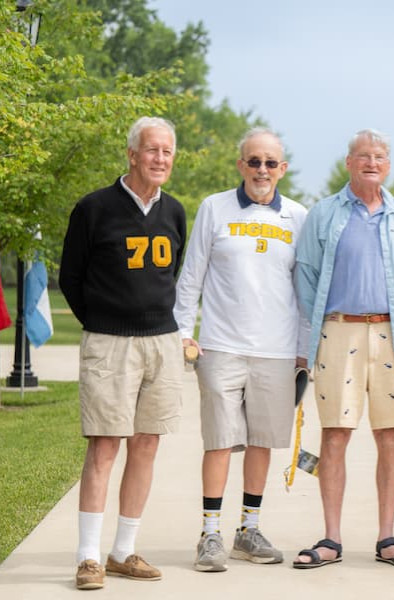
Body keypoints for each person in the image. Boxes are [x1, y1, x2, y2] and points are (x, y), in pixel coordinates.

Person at [173, 128, 308, 572]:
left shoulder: (298, 217)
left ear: (282, 169)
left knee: (261, 441)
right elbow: (191, 276)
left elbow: (303, 290)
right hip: (219, 347)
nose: (262, 170)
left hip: (277, 350)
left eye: (271, 163)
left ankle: (248, 531)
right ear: (241, 165)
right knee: (219, 441)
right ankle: (210, 534)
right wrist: (183, 332)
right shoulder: (214, 207)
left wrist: (304, 350)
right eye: (254, 161)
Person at [59, 117, 186, 590]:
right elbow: (71, 278)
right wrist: (102, 321)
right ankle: (88, 557)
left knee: (147, 444)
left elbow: (172, 273)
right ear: (131, 154)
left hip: (162, 342)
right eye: (152, 150)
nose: (160, 159)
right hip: (110, 343)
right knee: (104, 445)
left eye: (167, 152)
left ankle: (123, 551)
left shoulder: (174, 211)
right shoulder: (94, 208)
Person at [292, 129, 394, 569]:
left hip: (389, 335)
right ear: (349, 162)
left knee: (390, 435)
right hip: (339, 332)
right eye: (363, 155)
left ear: (388, 165)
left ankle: (388, 537)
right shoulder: (325, 213)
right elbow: (306, 275)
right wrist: (329, 321)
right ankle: (331, 538)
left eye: (380, 156)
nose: (372, 161)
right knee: (335, 434)